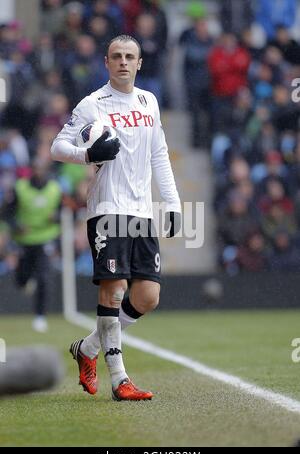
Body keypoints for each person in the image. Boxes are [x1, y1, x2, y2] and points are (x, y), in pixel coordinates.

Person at [51, 35, 181, 401]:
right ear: (106, 62)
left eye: (130, 57)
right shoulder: (93, 104)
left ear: (139, 63)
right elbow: (57, 147)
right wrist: (88, 153)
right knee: (114, 288)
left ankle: (88, 348)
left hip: (141, 210)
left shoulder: (149, 102)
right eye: (116, 56)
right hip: (107, 207)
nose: (123, 62)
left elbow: (159, 154)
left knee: (148, 296)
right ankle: (119, 380)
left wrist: (172, 203)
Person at [2, 158, 62, 332]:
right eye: (35, 168)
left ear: (47, 171)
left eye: (41, 169)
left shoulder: (55, 189)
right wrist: (16, 226)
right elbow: (7, 213)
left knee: (44, 276)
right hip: (24, 239)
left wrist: (56, 217)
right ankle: (26, 281)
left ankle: (40, 316)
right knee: (21, 279)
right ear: (31, 170)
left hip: (46, 238)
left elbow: (65, 212)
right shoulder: (20, 188)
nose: (38, 172)